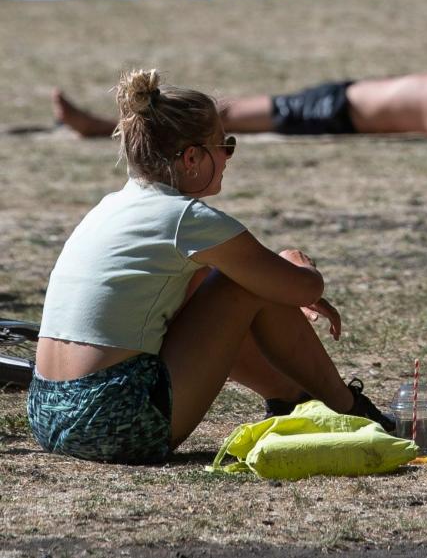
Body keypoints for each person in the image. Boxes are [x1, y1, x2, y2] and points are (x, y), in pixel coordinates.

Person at [27, 69, 394, 465]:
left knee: (210, 280)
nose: (228, 157)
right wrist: (295, 260)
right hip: (113, 422)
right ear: (191, 158)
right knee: (241, 285)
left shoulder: (109, 207)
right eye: (226, 145)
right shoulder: (188, 218)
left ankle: (291, 398)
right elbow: (301, 289)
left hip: (46, 413)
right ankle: (348, 406)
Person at [53, 0, 427, 139]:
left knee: (224, 115)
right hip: (340, 93)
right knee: (227, 111)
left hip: (331, 114)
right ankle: (123, 123)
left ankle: (109, 127)